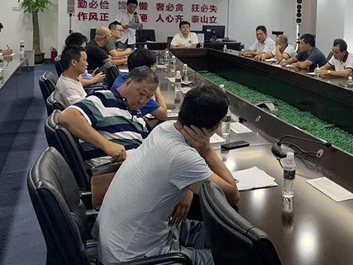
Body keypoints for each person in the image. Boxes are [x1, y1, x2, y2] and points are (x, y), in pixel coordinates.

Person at [97, 85, 239, 265]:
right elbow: (232, 195)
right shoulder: (182, 157)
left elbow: (175, 170)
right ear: (215, 126)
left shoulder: (163, 128)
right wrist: (207, 150)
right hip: (132, 258)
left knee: (231, 238)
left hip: (121, 241)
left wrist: (187, 187)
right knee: (236, 259)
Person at [57, 66, 157, 166]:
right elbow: (66, 116)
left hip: (137, 164)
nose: (142, 101)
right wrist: (106, 145)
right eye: (141, 93)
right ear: (128, 82)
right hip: (113, 170)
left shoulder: (137, 114)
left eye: (148, 97)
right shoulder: (104, 100)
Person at [112, 48, 168, 120]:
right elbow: (163, 115)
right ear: (146, 70)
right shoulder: (139, 96)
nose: (154, 69)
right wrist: (156, 88)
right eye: (153, 66)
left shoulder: (123, 76)